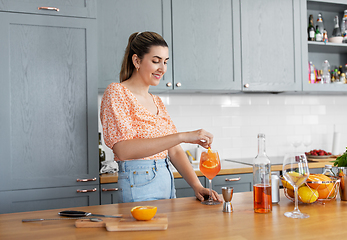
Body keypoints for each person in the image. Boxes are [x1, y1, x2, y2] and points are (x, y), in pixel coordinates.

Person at [100, 31, 222, 203]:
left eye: (165, 62)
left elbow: (174, 150)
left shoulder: (156, 101)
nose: (162, 69)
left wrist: (197, 186)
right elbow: (123, 150)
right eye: (156, 61)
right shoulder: (117, 92)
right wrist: (184, 136)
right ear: (136, 61)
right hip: (139, 182)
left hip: (166, 181)